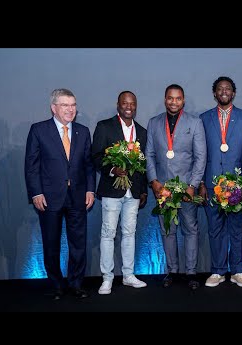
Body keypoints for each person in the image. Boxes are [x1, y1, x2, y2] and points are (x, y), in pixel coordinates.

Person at [25, 88, 95, 300]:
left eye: (73, 105)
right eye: (65, 105)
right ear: (53, 108)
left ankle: (75, 284)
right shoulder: (38, 130)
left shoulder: (82, 132)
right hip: (49, 198)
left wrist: (90, 189)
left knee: (78, 244)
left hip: (77, 197)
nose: (70, 109)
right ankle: (56, 285)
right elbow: (31, 166)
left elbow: (88, 166)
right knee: (51, 244)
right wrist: (36, 193)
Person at [145, 84, 207, 290]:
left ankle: (190, 272)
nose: (174, 102)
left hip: (186, 189)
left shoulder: (195, 123)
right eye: (170, 98)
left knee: (191, 230)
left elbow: (200, 158)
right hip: (163, 189)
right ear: (165, 99)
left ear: (183, 100)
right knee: (167, 231)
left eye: (178, 98)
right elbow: (150, 155)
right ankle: (172, 270)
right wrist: (154, 181)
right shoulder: (154, 123)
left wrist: (193, 185)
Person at [199, 76, 242, 288]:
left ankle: (238, 271)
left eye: (228, 88)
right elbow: (201, 154)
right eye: (220, 88)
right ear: (215, 93)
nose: (224, 91)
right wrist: (203, 183)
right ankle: (218, 271)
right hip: (212, 184)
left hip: (236, 186)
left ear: (234, 93)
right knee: (215, 229)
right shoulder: (204, 118)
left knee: (237, 229)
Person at [92, 91, 148, 295]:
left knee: (129, 234)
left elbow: (143, 164)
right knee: (108, 234)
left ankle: (128, 275)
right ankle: (107, 278)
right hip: (111, 190)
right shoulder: (104, 126)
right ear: (118, 105)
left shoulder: (141, 131)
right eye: (125, 103)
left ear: (136, 106)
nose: (129, 107)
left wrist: (143, 191)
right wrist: (113, 169)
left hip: (132, 192)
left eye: (132, 103)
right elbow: (96, 156)